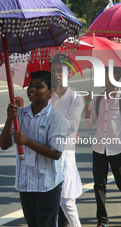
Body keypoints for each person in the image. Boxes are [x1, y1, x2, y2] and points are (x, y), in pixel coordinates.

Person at [0, 71, 67, 226]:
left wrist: (27, 141)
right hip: (26, 184)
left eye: (39, 86)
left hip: (47, 186)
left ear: (50, 92)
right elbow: (4, 144)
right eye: (30, 85)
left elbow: (56, 153)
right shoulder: (19, 114)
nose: (32, 89)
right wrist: (9, 119)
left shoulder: (56, 118)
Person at [84, 66, 121, 227]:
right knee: (99, 185)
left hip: (117, 148)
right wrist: (88, 103)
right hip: (99, 148)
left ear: (114, 76)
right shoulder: (98, 99)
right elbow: (89, 123)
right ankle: (102, 220)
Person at [49, 55, 83, 227]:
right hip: (47, 153)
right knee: (50, 204)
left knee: (67, 202)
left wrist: (51, 117)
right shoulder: (47, 96)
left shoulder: (76, 98)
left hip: (65, 154)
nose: (56, 74)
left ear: (69, 72)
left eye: (60, 70)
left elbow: (71, 126)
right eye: (53, 70)